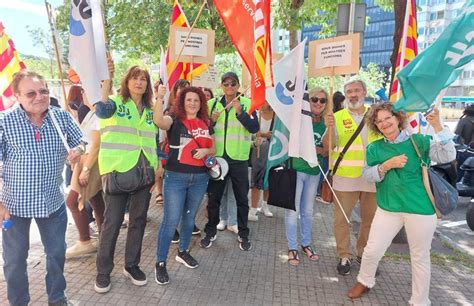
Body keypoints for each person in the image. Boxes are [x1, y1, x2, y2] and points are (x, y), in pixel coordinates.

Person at [347, 102, 456, 305]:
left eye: (388, 118)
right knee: (372, 249)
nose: (384, 123)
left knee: (420, 256)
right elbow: (368, 175)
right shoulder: (374, 148)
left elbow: (448, 156)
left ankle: (420, 300)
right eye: (379, 121)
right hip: (389, 208)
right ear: (375, 125)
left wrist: (439, 126)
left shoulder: (418, 141)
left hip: (420, 209)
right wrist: (386, 166)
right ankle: (364, 281)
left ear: (398, 118)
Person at [0, 70, 83, 305]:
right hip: (15, 206)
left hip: (52, 203)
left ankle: (57, 299)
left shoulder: (61, 118)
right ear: (17, 96)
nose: (40, 97)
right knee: (14, 261)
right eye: (31, 93)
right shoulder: (5, 121)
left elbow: (81, 141)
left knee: (56, 255)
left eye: (44, 91)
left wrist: (78, 151)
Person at [93, 63, 159, 293]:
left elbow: (151, 140)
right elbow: (101, 111)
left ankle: (132, 265)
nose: (139, 82)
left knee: (138, 220)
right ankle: (103, 272)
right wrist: (106, 82)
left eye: (143, 79)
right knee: (111, 223)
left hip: (143, 172)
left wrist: (155, 166)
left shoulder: (151, 110)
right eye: (135, 78)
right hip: (116, 171)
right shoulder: (115, 103)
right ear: (127, 81)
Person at [153, 86, 214, 285]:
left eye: (196, 100)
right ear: (182, 101)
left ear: (201, 103)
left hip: (200, 178)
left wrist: (206, 152)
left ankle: (183, 251)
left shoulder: (205, 121)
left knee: (189, 219)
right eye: (189, 100)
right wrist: (160, 97)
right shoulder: (174, 119)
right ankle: (160, 263)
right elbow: (159, 122)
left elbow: (212, 146)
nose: (193, 103)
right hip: (176, 178)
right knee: (170, 221)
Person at [323, 79, 380, 275]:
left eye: (356, 90)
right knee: (341, 220)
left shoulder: (376, 116)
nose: (353, 94)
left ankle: (363, 255)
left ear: (364, 91)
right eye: (349, 91)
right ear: (345, 95)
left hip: (372, 177)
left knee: (370, 221)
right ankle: (344, 256)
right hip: (345, 178)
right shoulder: (336, 117)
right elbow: (328, 146)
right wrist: (328, 128)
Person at [200, 72, 259, 251]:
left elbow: (254, 128)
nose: (230, 87)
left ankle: (243, 232)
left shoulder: (248, 104)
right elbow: (202, 129)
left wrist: (240, 112)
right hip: (217, 159)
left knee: (241, 198)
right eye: (226, 83)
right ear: (221, 86)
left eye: (233, 83)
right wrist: (211, 120)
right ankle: (210, 231)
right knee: (214, 197)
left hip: (239, 159)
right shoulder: (211, 105)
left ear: (238, 85)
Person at [286, 88, 328, 266]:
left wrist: (315, 148)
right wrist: (312, 149)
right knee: (292, 210)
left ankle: (306, 244)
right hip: (297, 170)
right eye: (314, 99)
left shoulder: (327, 123)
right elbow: (294, 145)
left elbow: (326, 150)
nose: (318, 103)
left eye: (322, 100)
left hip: (314, 172)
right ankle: (292, 247)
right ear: (308, 101)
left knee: (308, 212)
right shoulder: (299, 120)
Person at [65, 91, 105, 259]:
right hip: (85, 160)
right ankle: (105, 236)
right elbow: (84, 141)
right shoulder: (91, 113)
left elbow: (96, 145)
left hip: (92, 163)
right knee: (95, 200)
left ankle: (85, 242)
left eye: (87, 90)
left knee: (73, 201)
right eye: (83, 91)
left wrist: (86, 169)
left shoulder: (100, 115)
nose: (84, 94)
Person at [249, 101, 274, 221]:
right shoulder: (255, 114)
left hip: (272, 152)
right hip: (258, 151)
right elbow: (251, 133)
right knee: (256, 178)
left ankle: (265, 205)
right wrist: (264, 135)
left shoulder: (276, 116)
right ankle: (253, 208)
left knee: (269, 178)